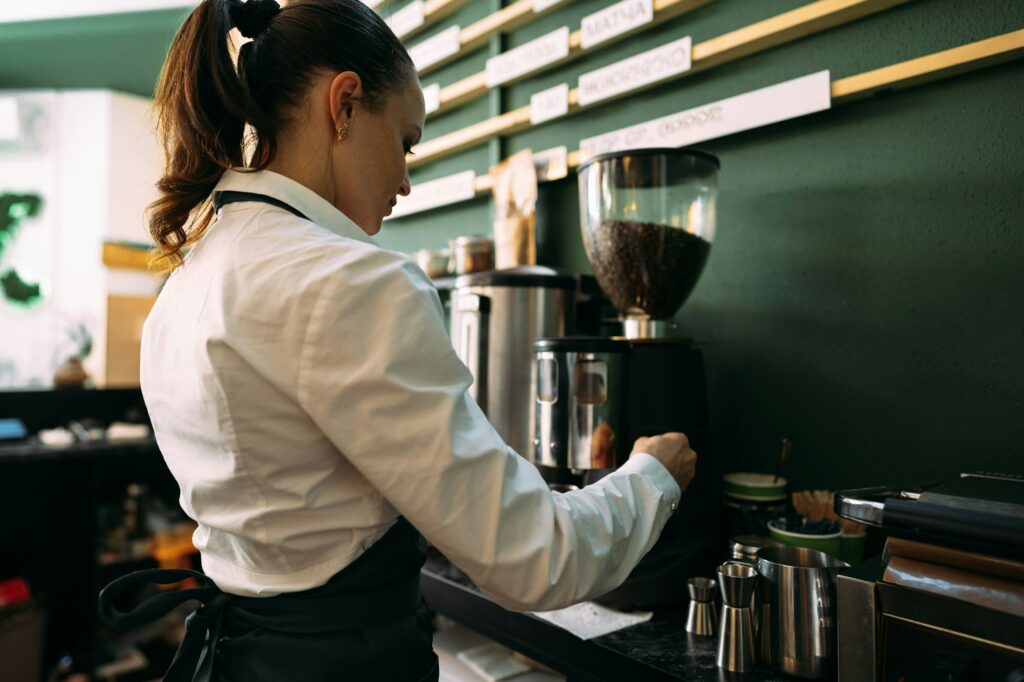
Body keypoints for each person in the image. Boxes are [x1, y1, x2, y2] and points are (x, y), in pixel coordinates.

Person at [97, 1, 698, 680]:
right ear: (345, 104)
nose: (406, 182)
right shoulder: (353, 280)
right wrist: (652, 476)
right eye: (406, 142)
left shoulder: (188, 279)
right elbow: (536, 558)